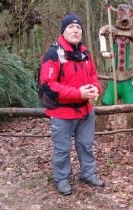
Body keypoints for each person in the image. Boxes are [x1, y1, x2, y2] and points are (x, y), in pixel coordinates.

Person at [39, 13, 104, 195]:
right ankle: (62, 179)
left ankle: (88, 173)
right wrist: (79, 93)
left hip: (85, 111)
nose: (76, 30)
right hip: (62, 113)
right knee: (62, 149)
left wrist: (95, 89)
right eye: (71, 27)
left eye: (78, 27)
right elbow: (48, 85)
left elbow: (93, 75)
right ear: (63, 31)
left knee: (86, 144)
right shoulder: (53, 53)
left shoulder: (85, 53)